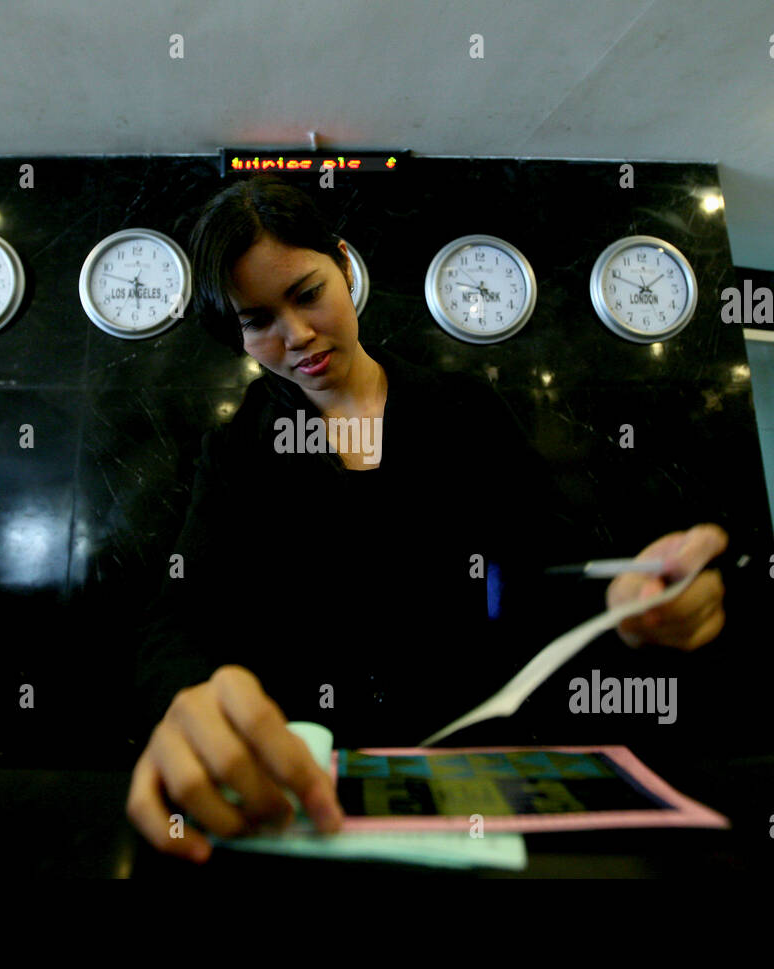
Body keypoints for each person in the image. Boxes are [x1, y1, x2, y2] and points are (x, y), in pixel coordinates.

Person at [125, 173, 729, 863]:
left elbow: (544, 562)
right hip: (309, 792)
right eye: (257, 320)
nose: (295, 335)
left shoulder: (462, 409)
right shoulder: (236, 450)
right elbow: (180, 615)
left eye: (306, 294)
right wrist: (188, 699)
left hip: (468, 775)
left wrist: (625, 599)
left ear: (345, 267)